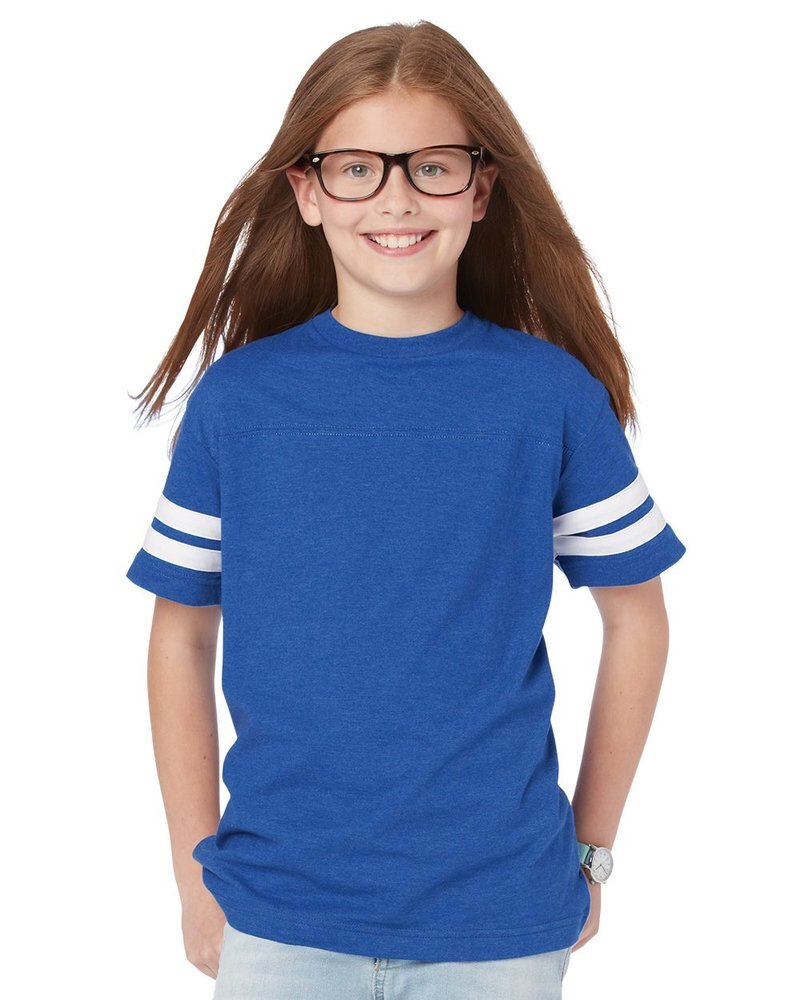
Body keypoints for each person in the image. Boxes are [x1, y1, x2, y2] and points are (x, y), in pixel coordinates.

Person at [125, 19, 686, 1000]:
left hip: (499, 921)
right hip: (276, 913)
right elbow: (181, 634)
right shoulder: (239, 401)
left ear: (479, 188)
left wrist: (591, 850)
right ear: (307, 191)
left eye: (430, 167)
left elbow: (636, 617)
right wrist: (192, 875)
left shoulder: (549, 398)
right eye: (356, 169)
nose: (395, 198)